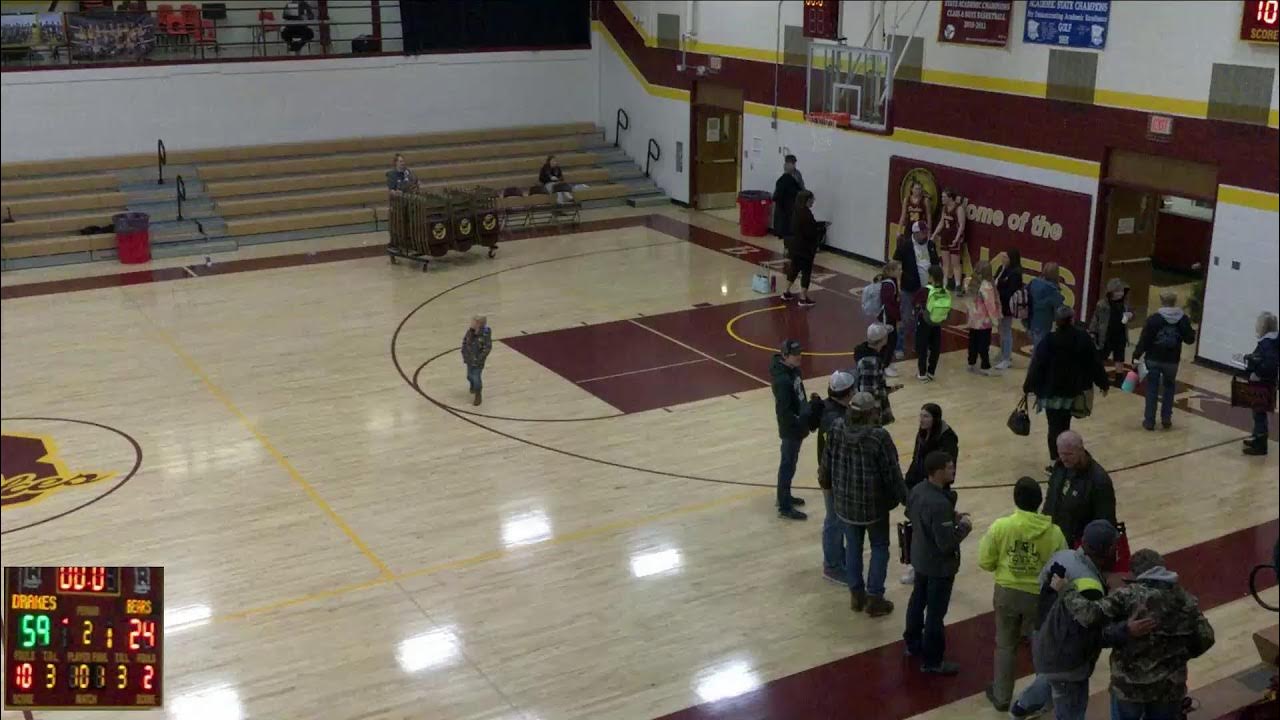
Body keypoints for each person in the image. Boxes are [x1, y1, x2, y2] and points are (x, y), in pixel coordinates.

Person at [1053, 548, 1215, 720]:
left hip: (1129, 688)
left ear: (1136, 572)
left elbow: (1089, 615)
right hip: (1169, 688)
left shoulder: (1128, 596)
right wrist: (1178, 656)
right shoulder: (1186, 599)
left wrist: (1066, 590)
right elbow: (1206, 637)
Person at [1021, 520, 1147, 720]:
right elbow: (1094, 632)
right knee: (1071, 711)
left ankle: (1021, 707)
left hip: (1044, 636)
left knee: (1046, 677)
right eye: (1115, 547)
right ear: (1106, 551)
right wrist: (1126, 630)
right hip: (1068, 661)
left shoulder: (1064, 555)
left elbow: (1042, 586)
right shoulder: (1090, 586)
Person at [978, 477, 1068, 712]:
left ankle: (1001, 696)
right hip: (1039, 596)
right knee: (1040, 647)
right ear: (1040, 501)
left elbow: (984, 561)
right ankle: (1041, 699)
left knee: (1005, 645)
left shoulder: (1002, 526)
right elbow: (1063, 565)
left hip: (1007, 592)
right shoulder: (1054, 532)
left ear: (1015, 499)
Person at [821, 391, 907, 618]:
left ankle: (856, 596)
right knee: (879, 547)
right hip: (873, 506)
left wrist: (827, 486)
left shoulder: (837, 428)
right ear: (872, 412)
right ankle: (875, 598)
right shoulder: (879, 437)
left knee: (853, 548)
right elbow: (892, 474)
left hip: (845, 504)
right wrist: (907, 500)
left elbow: (826, 463)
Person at [903, 451, 971, 675]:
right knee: (935, 614)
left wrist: (951, 517)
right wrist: (964, 527)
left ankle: (912, 643)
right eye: (950, 467)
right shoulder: (939, 503)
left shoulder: (917, 490)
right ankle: (933, 661)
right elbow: (946, 544)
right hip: (939, 566)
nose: (954, 470)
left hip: (920, 558)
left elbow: (912, 514)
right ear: (939, 471)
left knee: (917, 601)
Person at [1024, 306, 1111, 467]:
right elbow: (1094, 363)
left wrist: (1028, 386)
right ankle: (1065, 459)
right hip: (1073, 391)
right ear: (1071, 319)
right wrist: (1103, 383)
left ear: (1056, 322)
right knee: (1065, 425)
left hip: (1051, 392)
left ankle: (1055, 461)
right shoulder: (1082, 338)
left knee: (1053, 427)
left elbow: (1037, 365)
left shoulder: (1049, 340)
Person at [900, 403, 959, 585]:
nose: (922, 420)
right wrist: (908, 481)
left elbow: (947, 469)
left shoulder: (947, 438)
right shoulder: (922, 433)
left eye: (926, 416)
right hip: (918, 486)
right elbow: (916, 458)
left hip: (935, 489)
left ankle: (925, 567)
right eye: (921, 416)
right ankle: (914, 566)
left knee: (933, 530)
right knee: (916, 527)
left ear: (935, 418)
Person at [1131, 290, 1196, 431]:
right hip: (1172, 361)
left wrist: (1136, 355)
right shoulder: (1183, 319)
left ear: (1161, 301)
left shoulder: (1154, 319)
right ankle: (1166, 419)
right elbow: (1190, 340)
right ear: (1174, 302)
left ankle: (1149, 421)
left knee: (1152, 389)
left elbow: (1144, 340)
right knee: (1169, 388)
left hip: (1153, 358)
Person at [771, 339, 821, 520]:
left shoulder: (793, 370)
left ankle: (785, 496)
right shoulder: (782, 380)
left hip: (798, 424)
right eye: (795, 354)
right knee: (787, 464)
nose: (799, 357)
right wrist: (802, 418)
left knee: (790, 463)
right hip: (791, 428)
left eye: (800, 353)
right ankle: (784, 506)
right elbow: (785, 410)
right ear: (785, 356)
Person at [1043, 431, 1116, 549]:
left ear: (1081, 450)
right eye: (1061, 454)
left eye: (1069, 454)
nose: (1064, 458)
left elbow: (1106, 522)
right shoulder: (1060, 466)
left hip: (1080, 548)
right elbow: (1050, 500)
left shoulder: (1099, 480)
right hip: (1055, 541)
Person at [816, 371, 855, 584]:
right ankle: (832, 567)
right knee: (834, 521)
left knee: (835, 520)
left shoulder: (828, 408)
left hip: (829, 475)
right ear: (848, 393)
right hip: (834, 477)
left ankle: (837, 560)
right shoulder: (836, 419)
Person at [893, 221, 940, 360]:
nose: (926, 234)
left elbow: (935, 263)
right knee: (905, 319)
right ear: (915, 233)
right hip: (909, 288)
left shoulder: (930, 245)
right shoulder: (905, 246)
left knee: (924, 320)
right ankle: (899, 347)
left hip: (926, 290)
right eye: (923, 232)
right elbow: (895, 263)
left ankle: (920, 346)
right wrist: (898, 283)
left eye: (926, 232)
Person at [1242, 311, 1278, 456]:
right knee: (1258, 412)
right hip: (1268, 381)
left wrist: (1255, 365)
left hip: (1262, 382)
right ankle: (1257, 437)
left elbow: (1268, 364)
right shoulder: (1274, 340)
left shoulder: (1267, 343)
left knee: (1259, 413)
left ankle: (1260, 445)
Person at [853, 323, 901, 423]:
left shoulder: (865, 352)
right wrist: (886, 391)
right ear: (882, 340)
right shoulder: (871, 362)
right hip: (871, 410)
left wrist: (888, 388)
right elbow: (868, 392)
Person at [1087, 278, 1133, 379]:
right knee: (1102, 356)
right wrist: (1092, 331)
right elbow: (1096, 318)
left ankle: (1119, 377)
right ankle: (1098, 374)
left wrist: (1130, 316)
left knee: (1119, 357)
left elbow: (1131, 314)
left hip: (1120, 334)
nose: (1120, 294)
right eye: (1117, 291)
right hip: (1106, 334)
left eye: (1121, 291)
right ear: (1111, 292)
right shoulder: (1102, 304)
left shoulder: (1125, 304)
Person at [782, 190, 821, 308]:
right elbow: (810, 232)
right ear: (807, 200)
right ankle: (803, 298)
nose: (813, 201)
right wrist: (819, 230)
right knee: (806, 272)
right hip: (805, 248)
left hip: (795, 246)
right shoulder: (807, 214)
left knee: (794, 268)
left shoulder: (795, 211)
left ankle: (786, 292)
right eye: (812, 199)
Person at [914, 264, 951, 382]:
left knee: (922, 347)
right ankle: (931, 372)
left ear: (930, 277)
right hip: (938, 322)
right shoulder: (944, 290)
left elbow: (914, 302)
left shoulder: (924, 290)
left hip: (924, 321)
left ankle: (922, 373)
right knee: (935, 347)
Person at [966, 260, 1000, 376]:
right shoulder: (987, 286)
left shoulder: (969, 282)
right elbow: (990, 305)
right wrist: (995, 319)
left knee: (972, 341)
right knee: (984, 344)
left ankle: (971, 362)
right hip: (984, 320)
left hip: (972, 317)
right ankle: (985, 365)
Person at [931, 189, 967, 293]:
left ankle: (958, 285)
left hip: (954, 238)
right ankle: (944, 283)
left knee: (955, 263)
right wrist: (934, 234)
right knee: (945, 262)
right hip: (945, 237)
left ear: (950, 198)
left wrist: (957, 238)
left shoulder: (959, 208)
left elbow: (961, 226)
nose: (942, 199)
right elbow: (941, 223)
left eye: (944, 197)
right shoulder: (944, 208)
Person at [994, 250, 1024, 370]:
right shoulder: (1002, 268)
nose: (1003, 259)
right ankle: (1002, 353)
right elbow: (995, 280)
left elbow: (1011, 290)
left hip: (1007, 306)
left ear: (1012, 258)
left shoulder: (1016, 273)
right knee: (1000, 329)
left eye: (1005, 257)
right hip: (998, 303)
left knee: (1006, 331)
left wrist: (998, 289)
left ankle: (1007, 358)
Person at [874, 261, 903, 377]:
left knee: (892, 340)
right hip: (887, 317)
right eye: (899, 269)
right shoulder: (888, 285)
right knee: (890, 341)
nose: (901, 271)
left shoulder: (893, 282)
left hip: (890, 315)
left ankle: (886, 362)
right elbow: (889, 304)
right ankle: (884, 366)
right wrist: (898, 318)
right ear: (891, 271)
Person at [1027, 263, 1066, 350]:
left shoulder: (1033, 282)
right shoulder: (1053, 290)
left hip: (1030, 320)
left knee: (1037, 348)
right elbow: (1059, 305)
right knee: (1039, 352)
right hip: (1043, 323)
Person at [461, 315, 492, 406]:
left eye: (473, 322)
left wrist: (479, 358)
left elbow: (487, 348)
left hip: (478, 362)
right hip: (469, 359)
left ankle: (478, 394)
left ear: (479, 324)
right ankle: (473, 385)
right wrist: (463, 351)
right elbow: (465, 341)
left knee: (476, 377)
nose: (471, 323)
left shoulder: (485, 334)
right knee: (469, 376)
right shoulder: (470, 331)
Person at [771, 155, 805, 239]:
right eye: (791, 163)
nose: (793, 165)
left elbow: (801, 188)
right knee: (786, 227)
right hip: (785, 206)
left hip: (792, 205)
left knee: (790, 228)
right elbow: (777, 195)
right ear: (786, 164)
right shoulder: (783, 179)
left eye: (794, 163)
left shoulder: (797, 175)